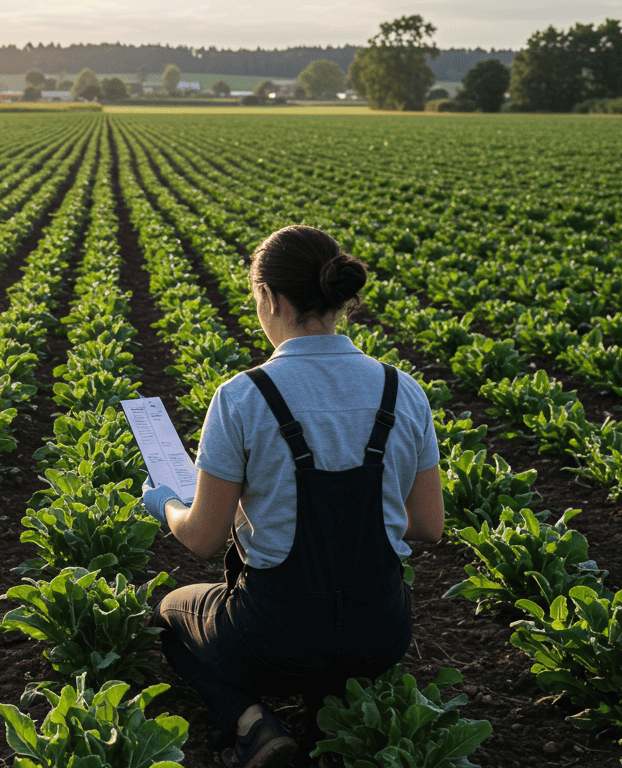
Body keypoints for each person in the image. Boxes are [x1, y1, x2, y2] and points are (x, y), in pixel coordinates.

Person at [141, 225, 444, 768]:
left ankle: (251, 723)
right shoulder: (405, 390)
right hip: (380, 635)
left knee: (172, 614)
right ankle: (334, 716)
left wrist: (165, 503)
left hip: (275, 637)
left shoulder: (242, 397)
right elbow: (428, 526)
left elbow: (204, 540)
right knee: (338, 653)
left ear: (269, 297)